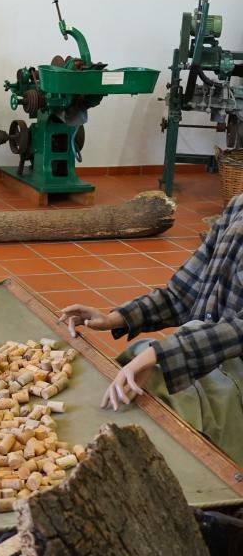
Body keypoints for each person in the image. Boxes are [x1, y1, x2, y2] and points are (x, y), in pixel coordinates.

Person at [59, 194, 243, 466]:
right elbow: (180, 294)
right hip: (198, 353)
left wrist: (164, 354)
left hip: (233, 371)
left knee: (158, 400)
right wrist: (115, 317)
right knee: (130, 380)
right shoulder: (238, 205)